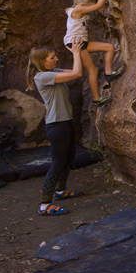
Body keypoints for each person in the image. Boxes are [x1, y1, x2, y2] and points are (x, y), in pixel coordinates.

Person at [26, 42, 85, 216]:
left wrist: (80, 53)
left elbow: (75, 72)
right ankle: (45, 204)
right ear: (43, 62)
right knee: (58, 162)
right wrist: (75, 52)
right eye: (52, 57)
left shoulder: (53, 72)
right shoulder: (42, 77)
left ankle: (60, 190)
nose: (57, 59)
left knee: (69, 158)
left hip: (66, 122)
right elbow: (77, 72)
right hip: (56, 125)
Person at [64, 0, 124, 106]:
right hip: (76, 43)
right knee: (92, 70)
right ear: (84, 5)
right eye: (89, 6)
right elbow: (98, 5)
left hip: (81, 42)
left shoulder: (79, 7)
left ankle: (108, 73)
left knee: (109, 48)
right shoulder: (78, 10)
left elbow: (94, 4)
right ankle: (97, 99)